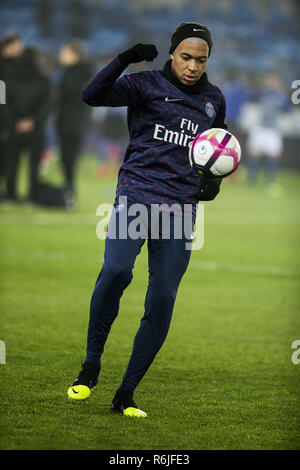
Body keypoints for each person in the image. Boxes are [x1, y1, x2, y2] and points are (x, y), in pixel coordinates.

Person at [67, 23, 227, 418]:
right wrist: (123, 59)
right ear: (172, 54)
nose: (192, 66)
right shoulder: (145, 84)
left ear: (208, 61)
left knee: (163, 298)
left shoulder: (214, 100)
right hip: (136, 196)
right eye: (186, 57)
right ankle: (90, 365)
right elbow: (91, 96)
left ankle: (126, 392)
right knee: (116, 271)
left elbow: (215, 150)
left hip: (180, 210)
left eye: (200, 60)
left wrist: (212, 182)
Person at [5, 46, 51, 203]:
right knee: (33, 164)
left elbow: (4, 103)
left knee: (12, 162)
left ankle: (10, 194)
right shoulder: (44, 80)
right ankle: (33, 196)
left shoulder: (9, 79)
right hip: (35, 129)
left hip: (14, 127)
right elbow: (47, 105)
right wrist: (32, 120)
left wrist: (16, 121)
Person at [55, 40, 93, 195]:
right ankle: (68, 188)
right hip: (65, 119)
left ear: (74, 54)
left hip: (75, 121)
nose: (61, 56)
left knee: (70, 156)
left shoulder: (82, 72)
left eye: (64, 52)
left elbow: (76, 93)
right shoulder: (67, 71)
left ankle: (70, 189)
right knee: (64, 157)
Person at [0, 34, 23, 198]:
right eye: (16, 46)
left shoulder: (18, 66)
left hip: (14, 116)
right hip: (5, 115)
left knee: (12, 157)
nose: (18, 49)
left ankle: (10, 192)